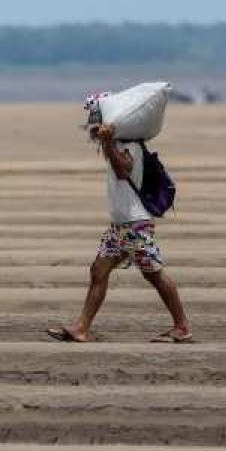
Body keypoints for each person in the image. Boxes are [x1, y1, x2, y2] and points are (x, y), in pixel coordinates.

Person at [47, 98, 191, 343]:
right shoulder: (116, 144)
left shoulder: (130, 146)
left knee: (154, 274)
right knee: (98, 271)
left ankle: (182, 326)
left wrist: (108, 143)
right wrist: (108, 143)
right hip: (121, 227)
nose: (93, 130)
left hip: (135, 225)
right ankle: (81, 328)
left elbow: (123, 170)